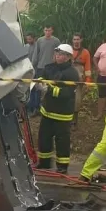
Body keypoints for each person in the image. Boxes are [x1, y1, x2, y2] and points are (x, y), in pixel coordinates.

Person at [36, 44, 79, 173]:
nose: (57, 56)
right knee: (44, 138)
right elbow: (42, 77)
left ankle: (62, 166)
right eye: (56, 54)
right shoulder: (50, 67)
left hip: (62, 113)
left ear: (68, 57)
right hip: (47, 111)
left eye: (60, 54)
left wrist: (49, 89)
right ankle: (44, 163)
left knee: (62, 141)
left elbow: (67, 93)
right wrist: (40, 83)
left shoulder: (72, 73)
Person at [71, 33, 92, 126]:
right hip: (68, 78)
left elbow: (87, 68)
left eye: (77, 39)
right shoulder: (68, 50)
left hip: (79, 80)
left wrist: (88, 82)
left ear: (81, 40)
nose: (76, 41)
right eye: (74, 39)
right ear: (72, 40)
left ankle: (75, 120)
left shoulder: (85, 52)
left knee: (77, 100)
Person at [25, 33, 40, 115]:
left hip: (36, 70)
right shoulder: (26, 46)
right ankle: (30, 107)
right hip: (28, 70)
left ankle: (35, 107)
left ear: (34, 38)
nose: (29, 41)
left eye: (30, 39)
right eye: (27, 39)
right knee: (30, 89)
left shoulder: (37, 46)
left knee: (36, 89)